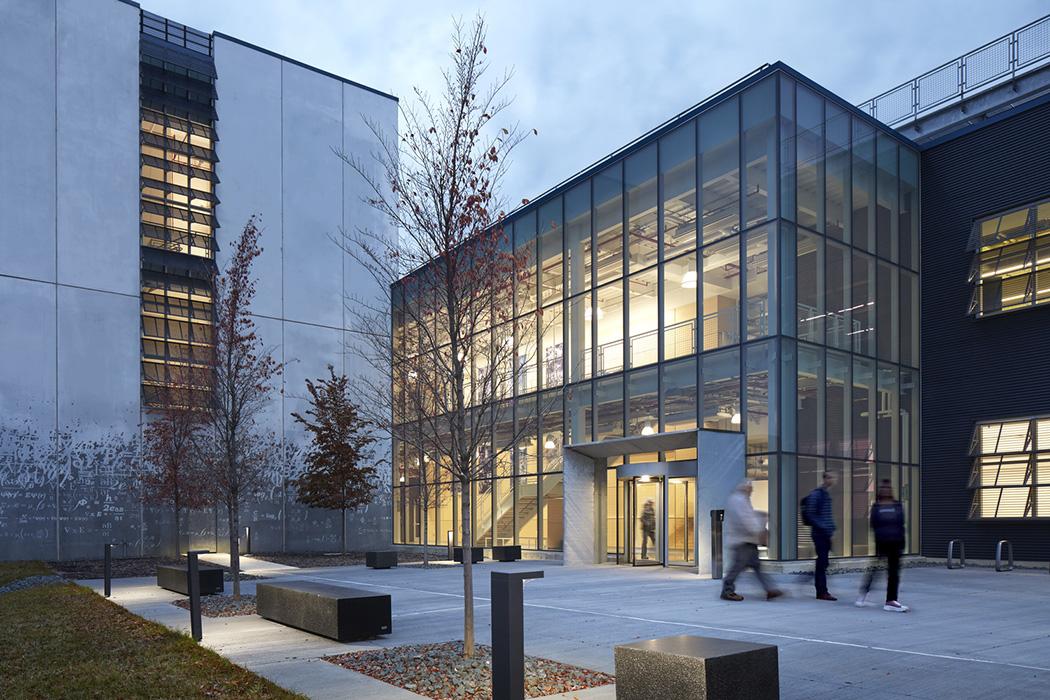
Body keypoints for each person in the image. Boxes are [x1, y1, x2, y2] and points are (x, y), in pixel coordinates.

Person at [720, 480, 783, 602]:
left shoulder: (741, 500)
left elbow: (748, 517)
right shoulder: (738, 500)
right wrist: (759, 531)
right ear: (745, 487)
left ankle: (769, 589)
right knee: (738, 566)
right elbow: (744, 519)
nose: (752, 490)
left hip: (748, 540)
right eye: (750, 488)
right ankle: (727, 590)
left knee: (756, 565)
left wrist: (759, 517)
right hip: (741, 541)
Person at [856, 480, 909, 612]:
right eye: (883, 488)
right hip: (882, 543)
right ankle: (863, 594)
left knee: (893, 573)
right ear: (880, 490)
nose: (886, 490)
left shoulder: (897, 505)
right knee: (875, 570)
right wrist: (878, 540)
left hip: (896, 543)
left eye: (888, 488)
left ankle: (890, 601)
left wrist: (902, 542)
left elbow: (901, 524)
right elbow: (873, 525)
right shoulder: (876, 506)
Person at [804, 471, 838, 601]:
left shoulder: (825, 494)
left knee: (824, 562)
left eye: (834, 477)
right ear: (824, 479)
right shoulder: (817, 494)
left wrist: (831, 527)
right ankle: (822, 591)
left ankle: (815, 582)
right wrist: (823, 526)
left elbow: (826, 514)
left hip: (826, 533)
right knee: (822, 562)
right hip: (819, 534)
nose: (833, 480)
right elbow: (810, 514)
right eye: (830, 477)